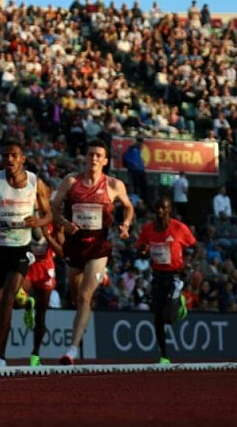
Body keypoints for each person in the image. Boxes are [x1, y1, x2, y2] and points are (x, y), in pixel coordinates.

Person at [52, 140, 134, 365]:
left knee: (85, 297)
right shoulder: (71, 181)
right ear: (85, 158)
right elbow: (53, 207)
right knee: (75, 296)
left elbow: (128, 206)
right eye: (91, 154)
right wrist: (63, 222)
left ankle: (71, 350)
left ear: (105, 161)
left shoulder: (114, 185)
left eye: (99, 155)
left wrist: (125, 224)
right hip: (74, 245)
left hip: (98, 247)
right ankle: (99, 280)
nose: (94, 158)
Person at [0, 142, 52, 367]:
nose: (9, 159)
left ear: (23, 159)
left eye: (14, 155)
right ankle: (24, 302)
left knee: (7, 301)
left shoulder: (35, 183)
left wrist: (38, 221)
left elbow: (48, 215)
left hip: (20, 250)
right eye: (6, 155)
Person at [136, 196, 196, 364]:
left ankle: (180, 304)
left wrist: (189, 264)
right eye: (157, 207)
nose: (159, 210)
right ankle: (164, 355)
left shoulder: (179, 228)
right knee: (157, 318)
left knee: (169, 317)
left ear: (169, 210)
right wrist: (142, 251)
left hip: (175, 275)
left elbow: (196, 247)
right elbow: (141, 251)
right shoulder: (148, 229)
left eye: (163, 207)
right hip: (158, 275)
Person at [20, 219, 64, 366]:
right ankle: (27, 305)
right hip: (29, 266)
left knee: (41, 314)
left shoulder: (56, 225)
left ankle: (35, 354)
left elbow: (62, 253)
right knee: (18, 294)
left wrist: (48, 236)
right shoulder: (28, 218)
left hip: (45, 269)